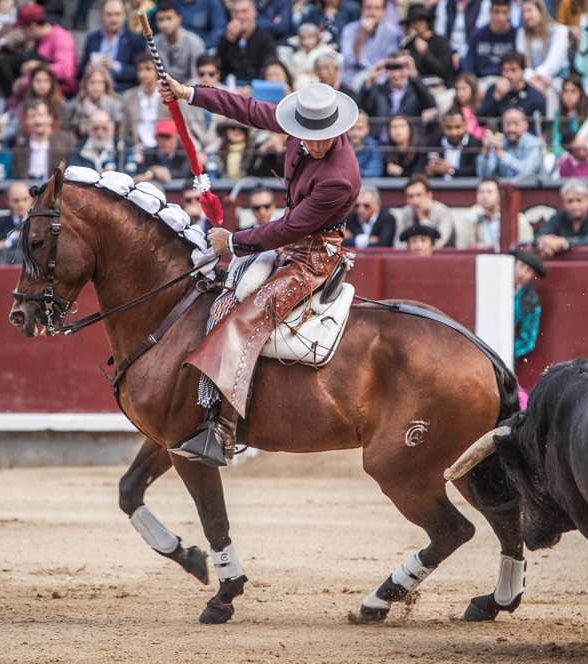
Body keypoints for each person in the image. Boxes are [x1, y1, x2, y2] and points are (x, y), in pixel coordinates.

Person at [158, 75, 362, 465]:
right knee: (223, 296)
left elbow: (290, 227)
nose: (317, 145)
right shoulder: (297, 129)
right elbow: (248, 110)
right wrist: (189, 93)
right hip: (289, 245)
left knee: (243, 319)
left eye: (326, 137)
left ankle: (223, 430)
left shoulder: (339, 176)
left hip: (311, 259)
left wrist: (232, 242)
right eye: (310, 136)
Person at [359, 53, 436, 142]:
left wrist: (415, 76)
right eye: (392, 68)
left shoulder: (415, 89)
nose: (396, 74)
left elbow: (430, 104)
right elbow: (362, 108)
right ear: (386, 70)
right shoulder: (378, 89)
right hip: (382, 142)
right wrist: (369, 81)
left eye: (399, 67)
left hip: (412, 143)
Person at [78, 0, 144, 93]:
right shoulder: (92, 38)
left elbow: (139, 72)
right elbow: (80, 69)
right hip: (94, 90)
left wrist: (115, 66)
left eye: (117, 14)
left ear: (124, 15)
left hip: (122, 91)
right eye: (109, 14)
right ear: (102, 15)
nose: (113, 19)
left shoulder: (134, 39)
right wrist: (89, 68)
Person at [534, 179, 588, 257]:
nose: (574, 206)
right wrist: (542, 241)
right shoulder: (557, 218)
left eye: (579, 200)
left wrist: (564, 242)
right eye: (570, 201)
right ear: (563, 202)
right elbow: (538, 237)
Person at [17, 4, 77, 96]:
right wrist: (24, 80)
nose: (23, 33)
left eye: (23, 29)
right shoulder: (37, 41)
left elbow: (64, 71)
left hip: (62, 90)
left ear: (33, 26)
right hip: (40, 87)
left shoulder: (61, 37)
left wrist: (36, 66)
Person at [515, 0, 569, 102]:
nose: (526, 16)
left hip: (556, 80)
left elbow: (553, 65)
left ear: (540, 12)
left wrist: (533, 79)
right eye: (523, 12)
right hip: (530, 80)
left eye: (529, 11)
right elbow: (522, 64)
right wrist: (532, 80)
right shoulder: (522, 34)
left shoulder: (559, 31)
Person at [11, 98, 76, 180]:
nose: (37, 120)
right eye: (32, 116)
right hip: (28, 189)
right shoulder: (20, 148)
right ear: (27, 121)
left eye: (41, 115)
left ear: (50, 117)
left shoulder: (67, 141)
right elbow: (17, 177)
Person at [340, 0, 402, 84]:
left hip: (380, 80)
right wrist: (361, 34)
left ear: (384, 11)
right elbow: (349, 62)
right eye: (368, 8)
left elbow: (388, 64)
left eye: (377, 8)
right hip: (354, 80)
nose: (372, 12)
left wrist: (372, 76)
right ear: (362, 10)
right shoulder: (349, 29)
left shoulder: (393, 33)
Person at [217, 0, 276, 85]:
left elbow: (267, 69)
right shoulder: (225, 38)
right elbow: (219, 69)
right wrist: (228, 42)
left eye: (244, 11)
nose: (240, 16)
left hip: (256, 87)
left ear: (254, 13)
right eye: (235, 12)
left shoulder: (265, 38)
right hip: (230, 87)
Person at [476, 49, 547, 121]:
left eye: (514, 70)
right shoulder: (493, 90)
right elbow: (480, 120)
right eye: (506, 70)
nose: (509, 75)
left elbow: (540, 127)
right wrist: (496, 98)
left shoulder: (535, 96)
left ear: (523, 71)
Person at [122, 53, 171, 151]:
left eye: (148, 69)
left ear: (157, 71)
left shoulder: (168, 95)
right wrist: (133, 145)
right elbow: (125, 128)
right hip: (138, 148)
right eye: (140, 69)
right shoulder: (129, 96)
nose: (144, 73)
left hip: (162, 149)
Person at [68, 109, 139, 175]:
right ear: (89, 130)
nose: (100, 132)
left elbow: (131, 172)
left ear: (111, 129)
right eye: (95, 128)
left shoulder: (122, 143)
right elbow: (73, 172)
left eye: (104, 128)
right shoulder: (80, 147)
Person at [477, 106, 542, 177]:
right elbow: (483, 175)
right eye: (507, 124)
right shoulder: (500, 143)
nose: (511, 129)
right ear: (502, 125)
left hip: (529, 187)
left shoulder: (535, 143)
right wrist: (485, 152)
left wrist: (502, 155)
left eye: (516, 124)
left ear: (526, 126)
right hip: (503, 187)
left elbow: (526, 172)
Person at [401, 4, 455, 87]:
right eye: (414, 21)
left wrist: (426, 53)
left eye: (421, 20)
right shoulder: (409, 46)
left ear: (426, 20)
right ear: (410, 24)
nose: (418, 24)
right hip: (418, 88)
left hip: (440, 85)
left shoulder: (441, 41)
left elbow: (445, 71)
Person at [462, 0, 517, 80]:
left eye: (504, 12)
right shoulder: (477, 34)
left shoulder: (516, 35)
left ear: (509, 12)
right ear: (490, 11)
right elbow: (469, 65)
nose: (500, 17)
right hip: (480, 81)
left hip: (506, 81)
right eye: (497, 12)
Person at [152, 0, 204, 84]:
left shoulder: (194, 42)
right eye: (161, 20)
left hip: (188, 91)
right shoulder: (153, 42)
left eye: (169, 18)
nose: (165, 24)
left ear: (179, 19)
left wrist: (180, 91)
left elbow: (198, 77)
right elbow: (152, 75)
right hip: (163, 90)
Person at [510, 246, 545, 365]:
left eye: (528, 271)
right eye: (521, 266)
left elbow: (528, 340)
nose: (522, 273)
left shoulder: (530, 299)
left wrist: (505, 351)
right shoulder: (497, 284)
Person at [399, 175, 455, 248]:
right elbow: (398, 244)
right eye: (410, 196)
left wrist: (423, 221)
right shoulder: (407, 212)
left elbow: (439, 243)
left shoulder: (442, 212)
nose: (415, 200)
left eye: (419, 195)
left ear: (429, 195)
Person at [71, 66, 125, 139]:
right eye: (92, 82)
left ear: (105, 84)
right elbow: (76, 131)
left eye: (99, 82)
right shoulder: (79, 105)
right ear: (86, 84)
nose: (96, 87)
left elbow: (120, 128)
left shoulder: (115, 104)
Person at [425, 109, 482, 178]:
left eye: (458, 127)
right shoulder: (433, 143)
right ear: (443, 127)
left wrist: (451, 171)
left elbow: (475, 170)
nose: (453, 132)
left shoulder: (476, 144)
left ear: (465, 125)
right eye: (449, 128)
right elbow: (421, 166)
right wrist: (429, 171)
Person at [550, 74, 588, 153]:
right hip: (562, 155)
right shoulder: (558, 114)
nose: (569, 96)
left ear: (580, 93)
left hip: (582, 153)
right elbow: (556, 140)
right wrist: (561, 154)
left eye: (573, 91)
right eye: (566, 91)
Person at [463, 176, 501, 248]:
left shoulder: (512, 217)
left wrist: (490, 247)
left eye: (489, 192)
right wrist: (470, 218)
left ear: (499, 195)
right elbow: (463, 246)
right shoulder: (475, 218)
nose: (484, 195)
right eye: (481, 192)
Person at [347, 111, 384, 177]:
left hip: (366, 185)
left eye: (359, 128)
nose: (355, 133)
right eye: (351, 128)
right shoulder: (339, 146)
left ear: (367, 129)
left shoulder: (375, 146)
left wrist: (347, 172)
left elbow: (374, 172)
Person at [452, 73, 485, 140]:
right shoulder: (455, 111)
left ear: (472, 89)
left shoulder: (480, 109)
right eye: (457, 89)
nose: (460, 92)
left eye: (464, 89)